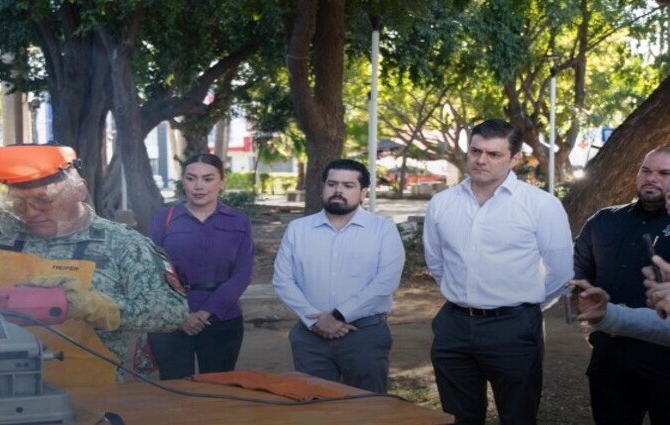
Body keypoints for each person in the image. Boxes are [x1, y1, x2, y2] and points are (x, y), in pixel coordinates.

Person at [0, 144, 188, 387]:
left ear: (78, 189)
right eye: (16, 203)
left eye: (43, 200)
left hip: (98, 390)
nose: (30, 213)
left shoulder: (124, 244)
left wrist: (96, 306)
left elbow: (172, 312)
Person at [423, 119, 573, 424]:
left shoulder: (541, 205)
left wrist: (524, 306)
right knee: (458, 417)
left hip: (513, 327)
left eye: (494, 154)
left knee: (518, 416)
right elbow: (437, 262)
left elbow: (560, 272)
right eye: (475, 151)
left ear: (515, 159)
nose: (481, 160)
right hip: (454, 325)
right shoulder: (441, 203)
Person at [572, 146, 670, 425]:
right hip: (610, 355)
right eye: (645, 170)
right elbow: (579, 273)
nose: (651, 178)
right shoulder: (604, 221)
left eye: (665, 173)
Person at [271, 159, 405, 393]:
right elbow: (283, 280)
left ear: (363, 192)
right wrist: (315, 321)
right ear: (323, 187)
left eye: (348, 185)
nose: (338, 191)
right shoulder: (298, 229)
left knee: (368, 406)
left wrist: (338, 316)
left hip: (364, 337)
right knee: (315, 405)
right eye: (332, 184)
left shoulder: (382, 229)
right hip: (310, 338)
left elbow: (386, 282)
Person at [146, 153, 254, 380]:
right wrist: (181, 315)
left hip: (222, 317)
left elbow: (242, 274)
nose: (198, 186)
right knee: (175, 388)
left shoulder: (238, 220)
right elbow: (151, 270)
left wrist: (207, 311)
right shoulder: (164, 218)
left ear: (222, 181)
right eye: (191, 178)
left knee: (218, 387)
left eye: (208, 179)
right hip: (172, 319)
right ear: (183, 181)